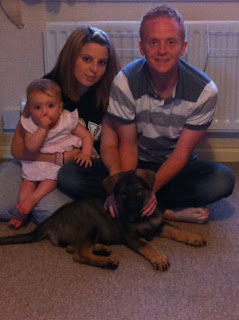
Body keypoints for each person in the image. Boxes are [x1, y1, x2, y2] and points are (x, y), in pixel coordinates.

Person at [100, 5, 235, 224]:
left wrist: (150, 189)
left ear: (183, 47)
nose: (162, 50)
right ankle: (167, 210)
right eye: (154, 42)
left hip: (175, 166)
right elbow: (128, 145)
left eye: (171, 42)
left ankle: (146, 204)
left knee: (222, 180)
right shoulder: (124, 82)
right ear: (142, 47)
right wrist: (127, 187)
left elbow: (181, 154)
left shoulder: (205, 92)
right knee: (71, 176)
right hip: (137, 163)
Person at [0, 26, 119, 225]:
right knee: (4, 206)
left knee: (52, 209)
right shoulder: (47, 89)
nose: (94, 69)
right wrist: (58, 158)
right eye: (87, 59)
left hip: (73, 173)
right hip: (34, 160)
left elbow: (112, 149)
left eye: (102, 62)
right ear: (71, 57)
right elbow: (17, 149)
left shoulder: (108, 94)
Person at [8, 78, 93, 229]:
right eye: (37, 107)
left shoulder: (67, 120)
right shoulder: (30, 124)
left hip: (59, 159)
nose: (44, 112)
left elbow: (86, 136)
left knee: (52, 177)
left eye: (50, 106)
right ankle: (22, 214)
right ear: (29, 108)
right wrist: (42, 129)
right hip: (37, 158)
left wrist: (86, 154)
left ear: (60, 108)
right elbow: (31, 147)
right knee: (28, 182)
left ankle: (34, 199)